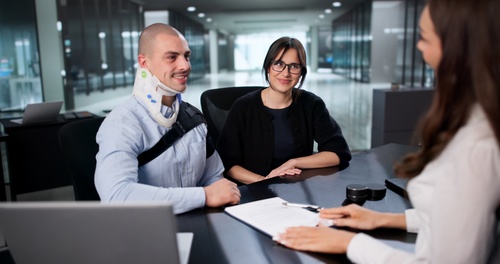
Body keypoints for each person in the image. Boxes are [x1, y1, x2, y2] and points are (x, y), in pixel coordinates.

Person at [274, 0, 500, 262]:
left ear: (456, 46)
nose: (418, 47)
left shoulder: (476, 144)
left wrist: (350, 243)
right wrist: (383, 219)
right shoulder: (478, 121)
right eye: (279, 64)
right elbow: (461, 216)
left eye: (424, 38)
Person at [94, 23, 240, 214]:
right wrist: (203, 196)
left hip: (197, 224)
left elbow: (214, 178)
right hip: (146, 231)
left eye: (186, 56)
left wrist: (219, 194)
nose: (185, 66)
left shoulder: (193, 118)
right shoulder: (123, 123)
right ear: (144, 62)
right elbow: (117, 196)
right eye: (172, 57)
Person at [217, 37, 352, 184]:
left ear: (301, 72)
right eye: (278, 64)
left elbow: (339, 152)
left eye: (294, 66)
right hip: (253, 190)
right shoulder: (243, 107)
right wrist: (263, 182)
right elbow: (227, 163)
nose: (286, 73)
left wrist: (294, 162)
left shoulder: (311, 104)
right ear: (268, 67)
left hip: (296, 189)